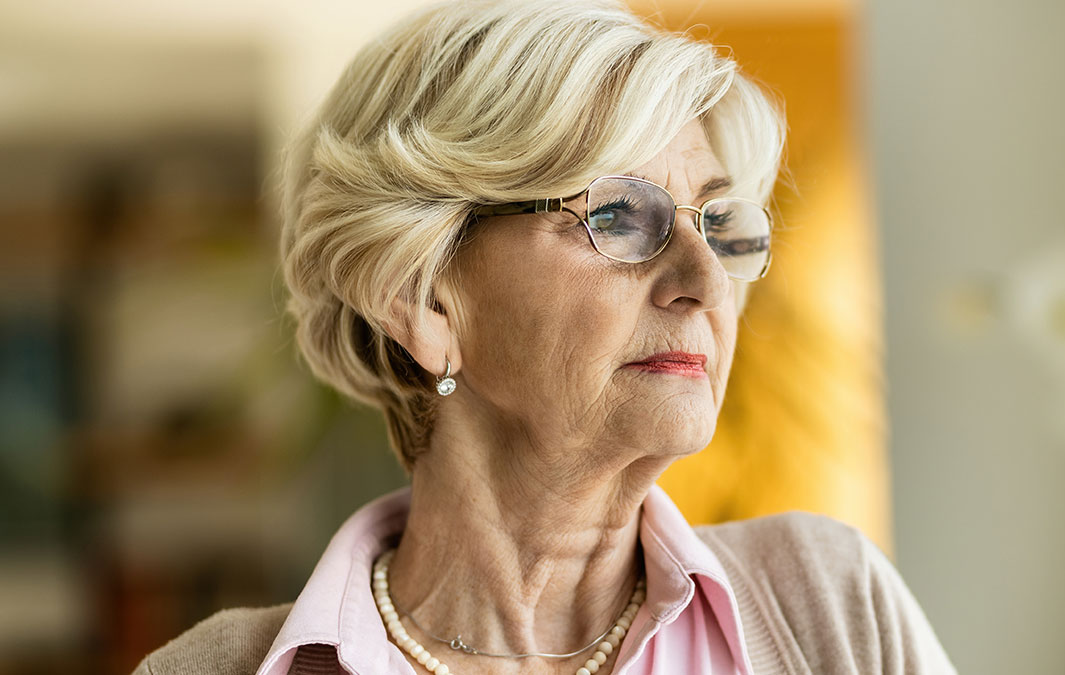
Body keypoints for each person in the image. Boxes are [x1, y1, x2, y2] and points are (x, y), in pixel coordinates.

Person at [135, 1, 956, 673]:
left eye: (719, 222)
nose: (705, 281)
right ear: (425, 300)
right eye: (619, 216)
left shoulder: (829, 606)